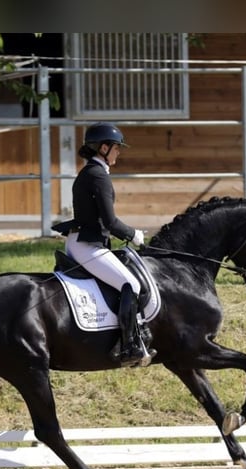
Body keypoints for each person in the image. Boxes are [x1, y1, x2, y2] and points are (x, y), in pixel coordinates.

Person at [52, 122, 155, 367]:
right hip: (88, 247)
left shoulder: (92, 172)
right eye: (117, 147)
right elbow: (109, 220)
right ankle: (130, 346)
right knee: (131, 284)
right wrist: (133, 235)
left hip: (83, 242)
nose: (119, 152)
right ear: (104, 147)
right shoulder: (97, 175)